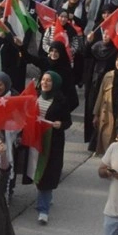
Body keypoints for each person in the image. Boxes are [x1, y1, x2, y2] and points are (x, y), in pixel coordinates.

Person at [29, 71, 72, 225]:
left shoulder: (61, 101)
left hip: (52, 142)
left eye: (49, 81)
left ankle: (43, 210)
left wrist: (60, 124)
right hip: (35, 140)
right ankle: (46, 198)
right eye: (43, 80)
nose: (45, 83)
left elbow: (68, 121)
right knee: (36, 170)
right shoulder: (34, 96)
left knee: (47, 174)